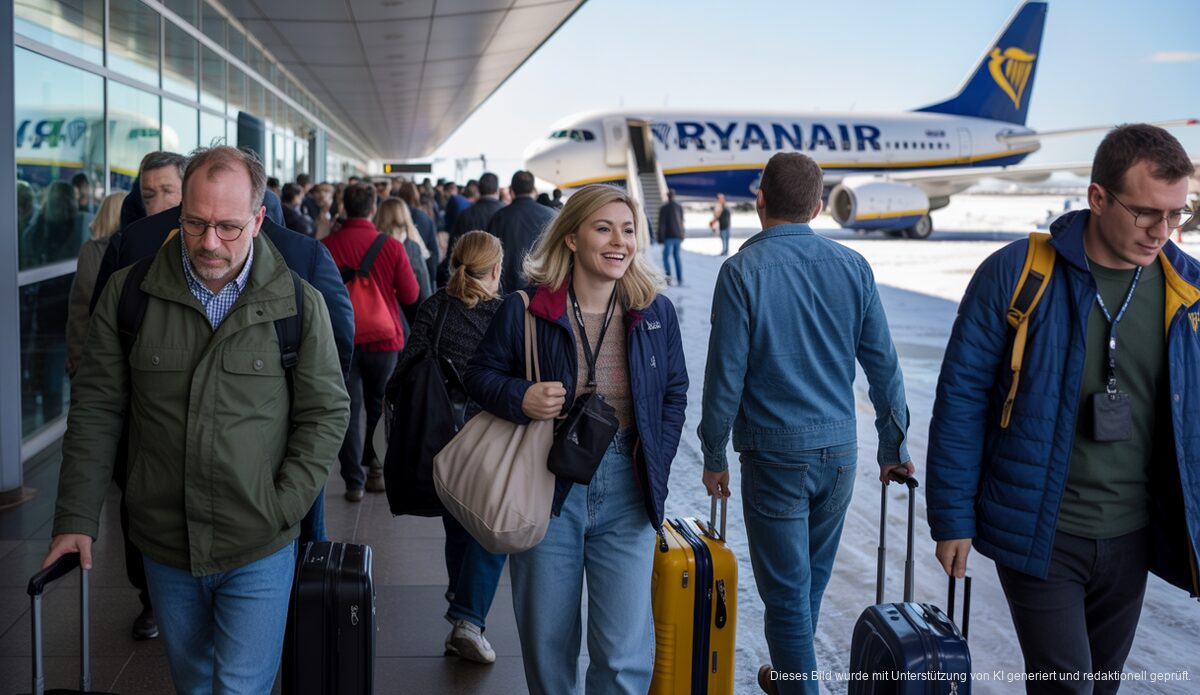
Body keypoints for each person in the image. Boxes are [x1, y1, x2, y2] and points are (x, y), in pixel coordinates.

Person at [42, 145, 350, 693]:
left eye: (228, 227)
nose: (210, 243)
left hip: (259, 541)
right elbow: (95, 410)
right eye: (195, 223)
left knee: (238, 687)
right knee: (195, 684)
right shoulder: (128, 294)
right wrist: (75, 517)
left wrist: (283, 504)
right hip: (165, 541)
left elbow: (326, 411)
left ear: (258, 220)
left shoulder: (298, 304)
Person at [926, 124, 1200, 694]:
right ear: (1097, 198)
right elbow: (962, 397)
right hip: (1041, 531)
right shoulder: (1018, 273)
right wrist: (951, 516)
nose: (1164, 232)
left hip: (1134, 535)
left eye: (1179, 215)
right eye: (1148, 213)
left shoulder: (1187, 290)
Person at [697, 152, 911, 694]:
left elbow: (725, 375)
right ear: (818, 207)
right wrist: (893, 443)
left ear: (760, 198)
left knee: (787, 595)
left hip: (774, 456)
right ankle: (791, 674)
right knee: (806, 584)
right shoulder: (853, 267)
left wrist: (715, 454)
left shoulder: (742, 271)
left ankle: (798, 683)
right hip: (839, 453)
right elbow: (883, 364)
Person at [466, 184, 688, 695]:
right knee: (548, 643)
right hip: (548, 488)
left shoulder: (654, 313)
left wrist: (658, 455)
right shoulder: (527, 308)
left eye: (628, 230)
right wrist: (520, 396)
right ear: (571, 238)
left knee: (623, 652)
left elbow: (673, 393)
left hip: (628, 487)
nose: (619, 242)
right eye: (604, 228)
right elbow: (479, 376)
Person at [388, 231, 507, 664]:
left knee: (458, 521)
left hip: (440, 432)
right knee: (492, 524)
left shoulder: (434, 307)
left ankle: (462, 609)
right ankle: (468, 619)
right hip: (489, 433)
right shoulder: (505, 311)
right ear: (496, 269)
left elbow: (407, 366)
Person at [322, 183, 420, 500]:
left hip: (341, 341)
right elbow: (410, 295)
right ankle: (376, 468)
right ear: (373, 208)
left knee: (346, 409)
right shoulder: (390, 246)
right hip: (384, 340)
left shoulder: (326, 246)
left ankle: (353, 481)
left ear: (344, 207)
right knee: (379, 405)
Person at [66, 191, 126, 378]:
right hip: (112, 355)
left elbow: (79, 308)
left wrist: (75, 357)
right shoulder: (127, 250)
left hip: (91, 354)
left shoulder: (90, 250)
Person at [486, 170, 557, 293]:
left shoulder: (499, 217)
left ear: (511, 190)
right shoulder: (551, 216)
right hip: (542, 292)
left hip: (506, 292)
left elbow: (489, 255)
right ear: (534, 190)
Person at [375, 197, 433, 313]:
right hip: (406, 308)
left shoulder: (374, 242)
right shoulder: (410, 244)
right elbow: (423, 283)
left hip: (378, 305)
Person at [658, 189, 685, 285]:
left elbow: (662, 224)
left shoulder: (664, 208)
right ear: (674, 196)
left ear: (668, 196)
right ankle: (680, 279)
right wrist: (682, 234)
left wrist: (660, 237)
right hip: (678, 235)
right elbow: (682, 222)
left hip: (668, 236)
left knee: (665, 257)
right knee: (677, 256)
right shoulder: (679, 207)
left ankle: (668, 278)